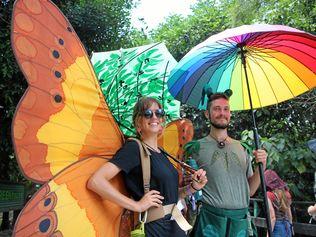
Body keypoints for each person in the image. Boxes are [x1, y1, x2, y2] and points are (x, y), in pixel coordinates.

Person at [87, 97, 207, 237]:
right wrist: (137, 205)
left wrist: (192, 188)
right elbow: (96, 181)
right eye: (148, 113)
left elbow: (169, 196)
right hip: (155, 229)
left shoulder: (162, 153)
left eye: (159, 113)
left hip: (174, 225)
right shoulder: (134, 148)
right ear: (138, 124)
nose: (154, 116)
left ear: (162, 121)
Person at [188, 89, 267, 237]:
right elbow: (188, 188)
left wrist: (261, 165)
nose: (222, 113)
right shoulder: (195, 148)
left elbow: (249, 191)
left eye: (226, 109)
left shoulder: (243, 148)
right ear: (207, 114)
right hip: (210, 222)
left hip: (241, 223)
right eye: (216, 109)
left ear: (230, 114)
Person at [264, 169, 293, 237]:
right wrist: (291, 227)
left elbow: (273, 217)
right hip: (287, 226)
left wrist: (268, 234)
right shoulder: (286, 193)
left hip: (277, 227)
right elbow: (289, 214)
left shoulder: (269, 195)